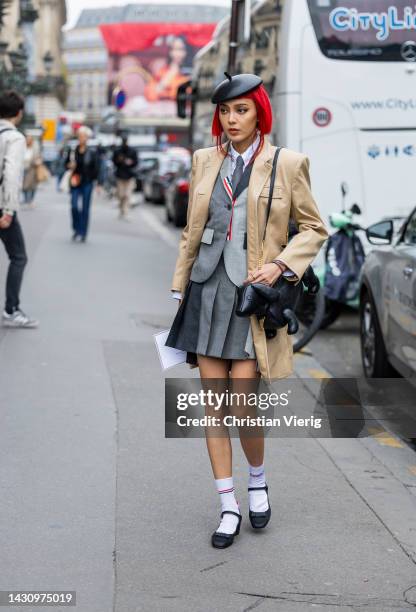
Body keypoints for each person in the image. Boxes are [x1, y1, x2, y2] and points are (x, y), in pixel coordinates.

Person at [165, 74, 328, 548]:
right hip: (206, 292)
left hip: (252, 299)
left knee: (243, 404)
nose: (231, 119)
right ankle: (227, 505)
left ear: (259, 112)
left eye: (241, 110)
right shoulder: (202, 161)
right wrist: (179, 288)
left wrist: (281, 265)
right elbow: (191, 233)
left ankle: (257, 479)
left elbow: (315, 229)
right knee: (213, 407)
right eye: (225, 112)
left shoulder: (287, 163)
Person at [0, 90, 38, 328]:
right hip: (2, 206)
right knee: (19, 257)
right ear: (19, 113)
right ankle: (11, 309)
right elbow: (11, 174)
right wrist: (9, 210)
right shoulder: (15, 138)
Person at [65, 126, 100, 242]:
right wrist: (69, 166)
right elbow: (65, 164)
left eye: (84, 136)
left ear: (87, 138)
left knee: (85, 208)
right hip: (75, 181)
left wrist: (98, 183)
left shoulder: (92, 152)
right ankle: (76, 229)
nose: (82, 138)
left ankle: (83, 232)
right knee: (74, 206)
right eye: (80, 136)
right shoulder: (72, 151)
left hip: (87, 182)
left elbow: (96, 169)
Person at [112, 134, 138, 219]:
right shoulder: (118, 151)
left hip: (129, 176)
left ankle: (125, 211)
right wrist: (120, 161)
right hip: (120, 176)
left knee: (127, 195)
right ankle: (121, 209)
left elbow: (136, 162)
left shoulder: (132, 151)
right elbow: (114, 161)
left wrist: (131, 162)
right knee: (121, 195)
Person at [22, 134, 41, 206]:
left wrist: (37, 161)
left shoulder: (35, 149)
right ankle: (26, 199)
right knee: (24, 186)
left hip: (33, 169)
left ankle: (31, 200)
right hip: (23, 169)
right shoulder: (22, 148)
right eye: (27, 139)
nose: (28, 141)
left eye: (29, 140)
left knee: (33, 186)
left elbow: (39, 157)